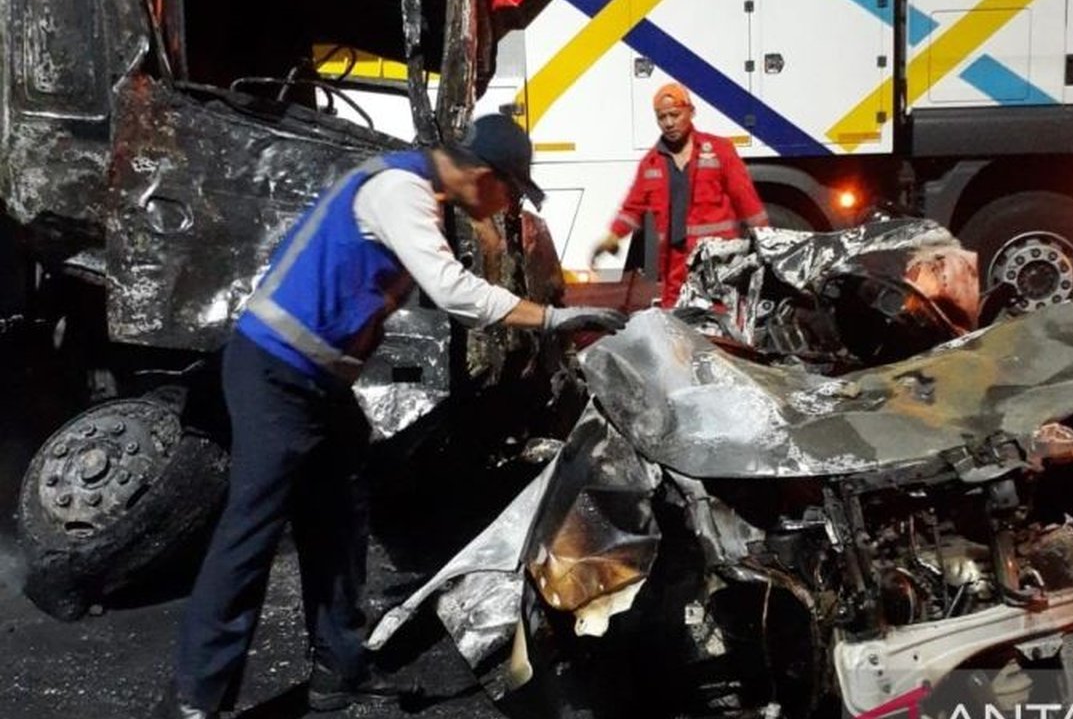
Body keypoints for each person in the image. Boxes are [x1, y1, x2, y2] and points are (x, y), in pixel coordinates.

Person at [164, 114, 626, 718]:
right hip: (276, 372)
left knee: (340, 517)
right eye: (510, 192)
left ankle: (338, 670)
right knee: (251, 529)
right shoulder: (400, 190)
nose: (507, 205)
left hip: (316, 381)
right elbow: (455, 293)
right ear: (483, 176)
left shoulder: (417, 190)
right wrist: (550, 317)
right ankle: (196, 699)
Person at [593, 82, 769, 307]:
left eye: (674, 115)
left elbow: (747, 203)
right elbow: (632, 207)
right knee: (677, 324)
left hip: (717, 262)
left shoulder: (720, 150)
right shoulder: (651, 163)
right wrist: (613, 236)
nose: (668, 123)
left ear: (691, 112)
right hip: (675, 264)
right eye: (661, 117)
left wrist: (765, 243)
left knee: (719, 324)